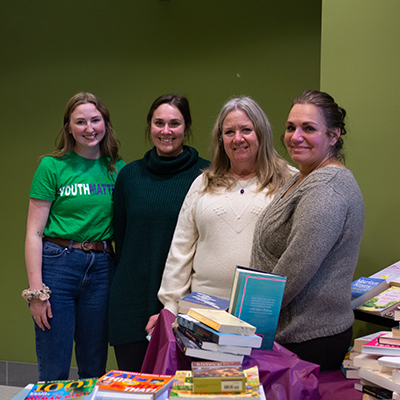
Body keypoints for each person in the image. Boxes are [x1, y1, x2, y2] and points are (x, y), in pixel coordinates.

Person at [151, 96, 294, 321]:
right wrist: (170, 305)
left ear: (261, 133)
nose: (238, 138)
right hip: (203, 313)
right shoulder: (203, 183)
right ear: (221, 139)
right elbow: (180, 250)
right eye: (229, 132)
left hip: (264, 313)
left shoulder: (290, 181)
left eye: (246, 129)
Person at [250, 90, 365, 371]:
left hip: (307, 340)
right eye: (291, 127)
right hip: (291, 335)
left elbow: (295, 268)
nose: (295, 136)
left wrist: (245, 319)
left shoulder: (326, 188)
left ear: (334, 135)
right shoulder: (304, 177)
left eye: (309, 128)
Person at [23, 92, 125, 381]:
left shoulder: (118, 170)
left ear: (105, 123)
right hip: (58, 265)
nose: (89, 128)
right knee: (54, 366)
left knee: (94, 365)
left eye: (95, 120)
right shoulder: (52, 167)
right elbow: (33, 233)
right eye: (80, 122)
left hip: (103, 266)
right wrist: (36, 292)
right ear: (68, 127)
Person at [108, 94, 210, 372]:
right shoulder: (129, 176)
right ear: (149, 126)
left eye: (174, 123)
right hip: (131, 303)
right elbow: (122, 239)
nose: (166, 131)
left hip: (184, 305)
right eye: (159, 123)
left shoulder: (207, 175)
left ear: (186, 127)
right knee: (134, 388)